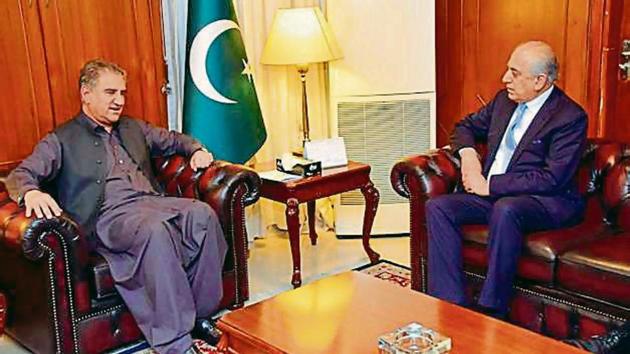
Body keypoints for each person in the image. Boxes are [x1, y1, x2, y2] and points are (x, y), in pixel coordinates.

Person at [6, 59, 226, 354]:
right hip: (108, 219)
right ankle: (175, 344)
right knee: (154, 232)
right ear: (86, 93)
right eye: (110, 93)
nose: (119, 101)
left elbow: (173, 140)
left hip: (152, 203)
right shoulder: (61, 139)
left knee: (203, 215)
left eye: (122, 93)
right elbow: (20, 175)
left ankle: (200, 316)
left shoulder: (134, 127)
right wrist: (30, 193)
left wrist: (196, 149)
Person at [425, 41, 587, 317]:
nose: (505, 79)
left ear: (539, 81)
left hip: (544, 202)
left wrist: (490, 185)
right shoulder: (504, 101)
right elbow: (464, 127)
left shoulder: (569, 117)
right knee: (438, 207)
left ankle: (492, 310)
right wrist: (469, 157)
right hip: (494, 195)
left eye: (514, 73)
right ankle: (450, 305)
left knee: (507, 208)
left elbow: (552, 178)